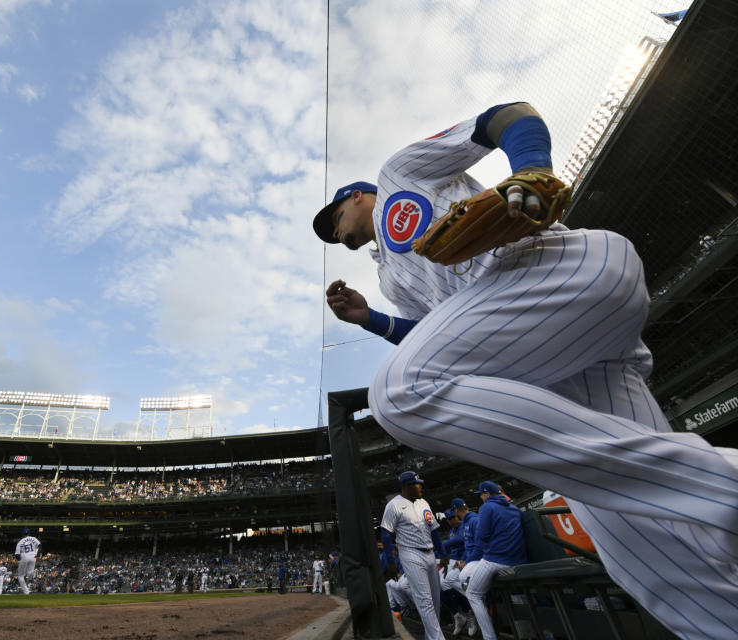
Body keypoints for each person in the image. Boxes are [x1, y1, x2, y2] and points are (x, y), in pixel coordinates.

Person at [314, 100, 738, 639]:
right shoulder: (392, 281)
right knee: (654, 563)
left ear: (355, 196)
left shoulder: (398, 172)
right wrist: (370, 319)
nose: (336, 233)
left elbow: (505, 115)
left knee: (399, 392)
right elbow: (434, 337)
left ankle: (723, 487)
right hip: (552, 360)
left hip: (562, 270)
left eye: (334, 219)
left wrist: (531, 168)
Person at [380, 471, 446, 640]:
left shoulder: (424, 502)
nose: (421, 486)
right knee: (425, 601)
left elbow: (435, 530)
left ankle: (430, 637)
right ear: (408, 486)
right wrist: (391, 561)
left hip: (430, 553)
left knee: (435, 600)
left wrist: (443, 554)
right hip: (410, 553)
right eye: (417, 484)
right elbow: (386, 534)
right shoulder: (393, 505)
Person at [463, 481, 528, 640]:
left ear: (487, 494)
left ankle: (489, 637)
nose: (481, 498)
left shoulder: (487, 507)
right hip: (518, 560)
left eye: (481, 495)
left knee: (472, 593)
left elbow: (482, 536)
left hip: (496, 560)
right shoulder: (514, 508)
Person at [439, 509, 474, 636]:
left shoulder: (464, 526)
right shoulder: (451, 532)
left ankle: (471, 607)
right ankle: (459, 614)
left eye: (453, 517)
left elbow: (461, 541)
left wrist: (442, 544)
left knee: (449, 579)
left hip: (465, 559)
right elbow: (447, 548)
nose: (452, 520)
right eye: (449, 519)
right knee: (441, 584)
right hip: (454, 560)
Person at [14, 529, 41, 595]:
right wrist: (37, 554)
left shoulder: (20, 542)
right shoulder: (34, 538)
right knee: (30, 571)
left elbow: (17, 555)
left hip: (24, 557)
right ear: (29, 533)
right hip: (33, 557)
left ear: (22, 534)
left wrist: (19, 561)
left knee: (20, 575)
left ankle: (26, 592)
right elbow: (39, 545)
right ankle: (30, 577)